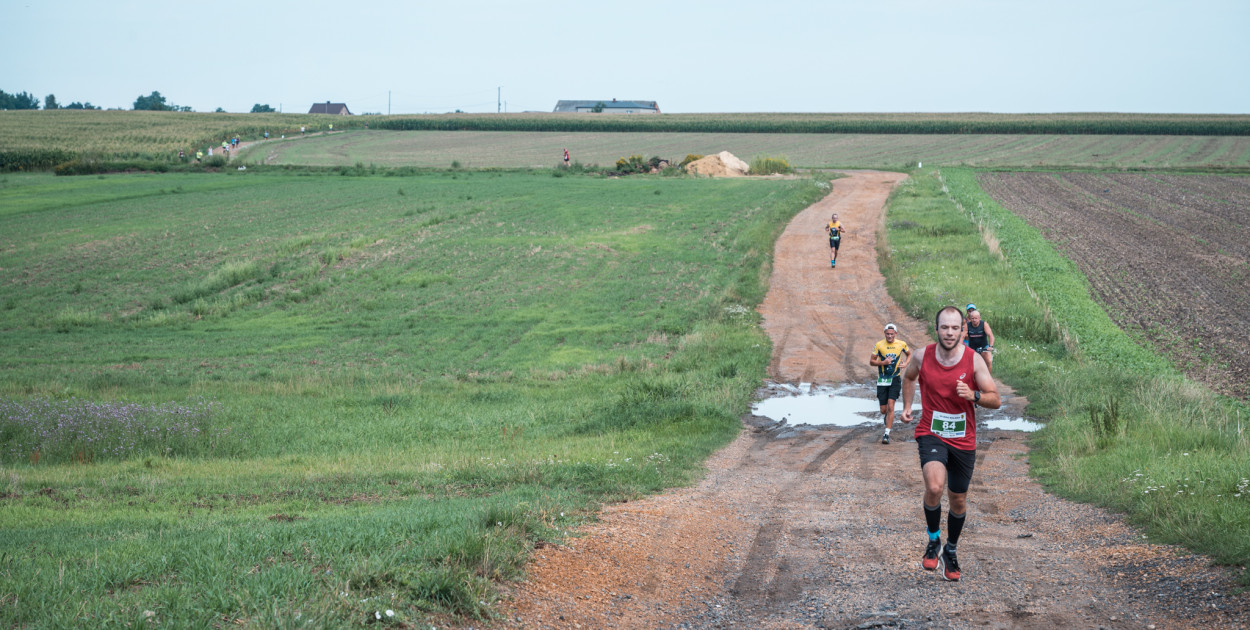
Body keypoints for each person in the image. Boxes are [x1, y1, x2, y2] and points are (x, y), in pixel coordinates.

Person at [901, 306, 1001, 582]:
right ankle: (933, 539)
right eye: (944, 327)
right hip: (931, 432)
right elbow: (908, 376)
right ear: (937, 329)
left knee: (958, 499)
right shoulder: (922, 356)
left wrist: (973, 395)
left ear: (962, 330)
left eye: (955, 328)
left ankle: (951, 550)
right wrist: (908, 405)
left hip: (963, 439)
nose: (949, 332)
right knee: (934, 486)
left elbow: (995, 399)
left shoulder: (973, 361)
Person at [869, 323, 911, 444]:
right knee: (884, 409)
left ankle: (886, 434)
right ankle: (886, 417)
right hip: (882, 379)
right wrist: (883, 362)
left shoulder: (901, 344)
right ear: (884, 334)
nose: (889, 336)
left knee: (891, 405)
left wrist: (906, 363)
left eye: (892, 334)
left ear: (895, 334)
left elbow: (909, 354)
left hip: (895, 378)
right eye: (887, 334)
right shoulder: (879, 345)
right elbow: (872, 361)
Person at [962, 304, 996, 373]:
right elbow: (961, 336)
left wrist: (991, 346)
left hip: (984, 346)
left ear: (979, 318)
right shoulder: (967, 325)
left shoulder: (984, 324)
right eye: (972, 318)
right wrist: (960, 346)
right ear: (970, 318)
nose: (974, 320)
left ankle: (988, 377)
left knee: (988, 360)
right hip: (972, 347)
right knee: (966, 362)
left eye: (976, 318)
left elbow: (991, 336)